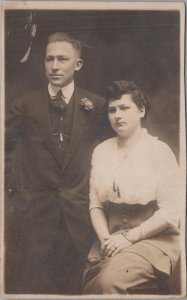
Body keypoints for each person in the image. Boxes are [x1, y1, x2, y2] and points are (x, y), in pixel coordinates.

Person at [5, 32, 109, 294]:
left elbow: (109, 154)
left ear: (78, 64)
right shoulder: (24, 105)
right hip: (33, 218)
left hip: (79, 218)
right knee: (34, 288)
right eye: (49, 59)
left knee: (74, 288)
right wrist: (15, 185)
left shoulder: (95, 105)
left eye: (62, 59)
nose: (54, 66)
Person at [83, 80, 182, 295]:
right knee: (92, 282)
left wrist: (129, 237)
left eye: (125, 108)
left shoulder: (159, 151)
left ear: (141, 110)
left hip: (153, 239)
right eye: (112, 110)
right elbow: (96, 204)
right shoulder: (101, 152)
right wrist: (105, 239)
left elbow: (170, 213)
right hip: (111, 238)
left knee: (106, 284)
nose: (117, 115)